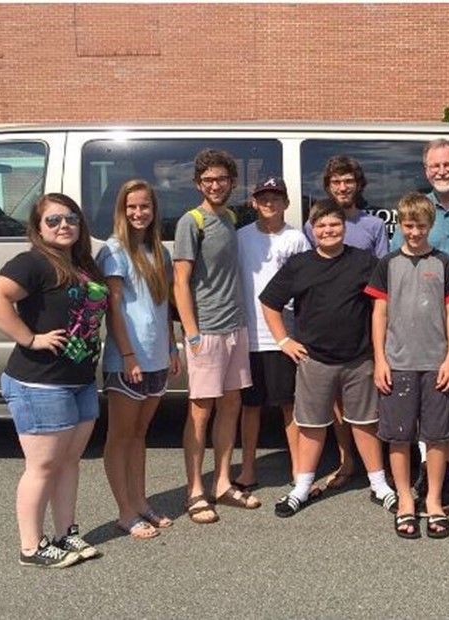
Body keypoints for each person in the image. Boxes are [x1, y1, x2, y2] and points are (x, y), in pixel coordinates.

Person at [0, 193, 108, 568]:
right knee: (43, 466)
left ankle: (66, 532)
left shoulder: (82, 264)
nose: (63, 225)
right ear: (38, 228)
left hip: (79, 379)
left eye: (70, 218)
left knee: (69, 461)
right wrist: (30, 338)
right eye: (52, 220)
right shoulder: (32, 262)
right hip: (39, 382)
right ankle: (31, 547)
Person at [261, 200, 396, 518]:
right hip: (315, 360)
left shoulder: (365, 261)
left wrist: (381, 352)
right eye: (321, 226)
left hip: (359, 358)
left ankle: (379, 485)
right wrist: (284, 341)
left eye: (334, 224)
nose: (328, 230)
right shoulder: (300, 264)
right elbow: (270, 303)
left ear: (344, 227)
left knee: (365, 423)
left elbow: (383, 306)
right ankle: (302, 487)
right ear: (312, 229)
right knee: (311, 425)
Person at [367, 192, 449, 539]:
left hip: (437, 363)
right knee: (398, 438)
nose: (414, 232)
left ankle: (434, 501)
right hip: (398, 364)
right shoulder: (388, 264)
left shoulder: (444, 263)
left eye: (421, 225)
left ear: (431, 224)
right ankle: (407, 501)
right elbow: (379, 312)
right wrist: (380, 360)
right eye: (408, 225)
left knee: (437, 437)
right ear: (400, 224)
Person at [390, 139, 449, 503]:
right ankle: (431, 474)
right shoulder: (418, 210)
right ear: (426, 170)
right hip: (424, 325)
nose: (441, 171)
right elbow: (399, 266)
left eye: (448, 164)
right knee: (434, 401)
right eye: (434, 166)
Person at [173, 149, 255, 524]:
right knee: (200, 412)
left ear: (232, 182)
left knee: (231, 407)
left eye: (221, 179)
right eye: (208, 180)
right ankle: (195, 490)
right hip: (206, 330)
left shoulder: (230, 217)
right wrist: (191, 333)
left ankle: (222, 482)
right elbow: (180, 281)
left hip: (235, 326)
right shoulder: (192, 222)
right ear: (198, 184)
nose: (215, 185)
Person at [97, 179, 181, 540]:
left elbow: (164, 308)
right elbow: (114, 308)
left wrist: (173, 347)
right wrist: (129, 354)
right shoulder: (114, 251)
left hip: (157, 357)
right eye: (131, 207)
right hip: (126, 362)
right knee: (121, 436)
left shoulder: (159, 252)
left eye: (144, 206)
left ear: (153, 209)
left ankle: (141, 500)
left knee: (140, 435)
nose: (138, 213)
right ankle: (125, 512)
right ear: (121, 210)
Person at [304, 156, 388, 491]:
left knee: (367, 399)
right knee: (336, 400)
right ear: (328, 186)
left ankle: (377, 467)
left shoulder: (374, 226)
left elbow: (383, 278)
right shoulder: (316, 226)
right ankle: (345, 460)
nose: (343, 187)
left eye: (348, 181)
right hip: (328, 328)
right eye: (336, 182)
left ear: (358, 184)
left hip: (365, 324)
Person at [234, 176, 311, 493]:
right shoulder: (239, 237)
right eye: (263, 198)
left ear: (286, 203)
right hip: (248, 335)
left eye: (276, 197)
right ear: (253, 202)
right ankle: (248, 468)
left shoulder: (296, 240)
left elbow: (306, 289)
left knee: (289, 406)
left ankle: (297, 469)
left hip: (284, 337)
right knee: (250, 407)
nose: (270, 203)